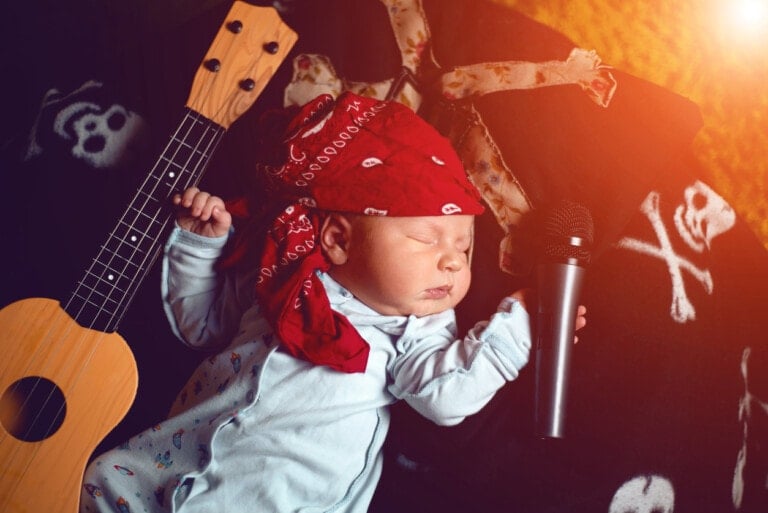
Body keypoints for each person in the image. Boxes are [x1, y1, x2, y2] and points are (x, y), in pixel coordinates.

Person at [79, 92, 586, 513]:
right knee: (93, 479)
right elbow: (203, 325)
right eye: (427, 238)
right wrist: (200, 245)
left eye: (464, 247)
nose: (452, 261)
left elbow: (446, 399)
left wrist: (521, 327)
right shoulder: (279, 274)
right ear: (339, 239)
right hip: (162, 471)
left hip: (276, 500)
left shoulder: (417, 327)